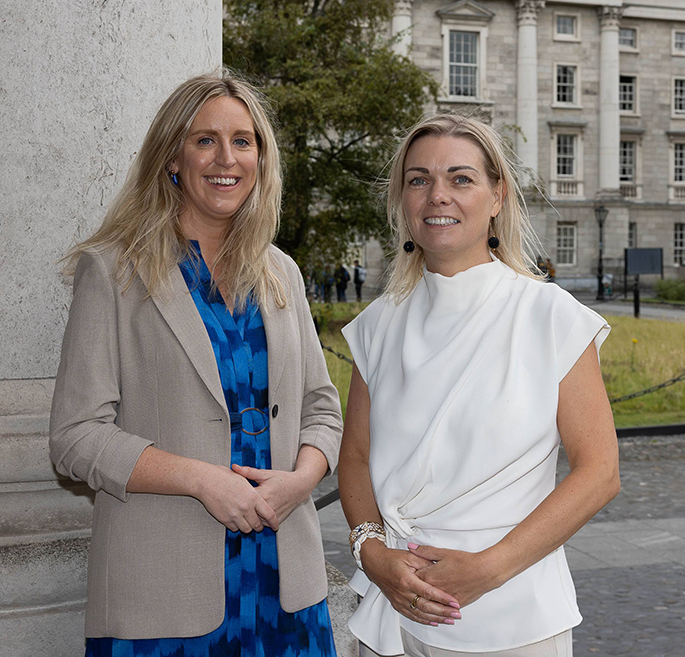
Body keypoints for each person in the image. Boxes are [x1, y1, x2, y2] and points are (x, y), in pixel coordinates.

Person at [49, 73, 344, 655]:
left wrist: (300, 481)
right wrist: (203, 482)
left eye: (243, 140)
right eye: (205, 140)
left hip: (287, 587)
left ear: (261, 157)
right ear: (172, 158)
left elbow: (322, 408)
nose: (226, 158)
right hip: (164, 596)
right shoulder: (111, 272)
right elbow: (75, 437)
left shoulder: (281, 271)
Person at [337, 114, 620, 657]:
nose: (437, 195)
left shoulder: (549, 315)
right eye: (418, 179)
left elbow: (599, 472)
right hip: (391, 608)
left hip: (508, 616)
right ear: (402, 199)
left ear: (497, 196)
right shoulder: (378, 323)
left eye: (461, 179)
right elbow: (356, 455)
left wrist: (488, 571)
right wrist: (372, 551)